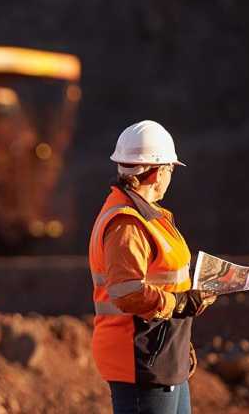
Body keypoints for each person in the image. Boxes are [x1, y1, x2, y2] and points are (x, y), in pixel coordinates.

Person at [89, 120, 216, 414]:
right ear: (159, 172)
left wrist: (183, 328)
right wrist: (180, 303)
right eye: (170, 170)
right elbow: (126, 292)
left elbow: (165, 282)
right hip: (139, 360)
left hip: (163, 352)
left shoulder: (149, 216)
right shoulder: (126, 223)